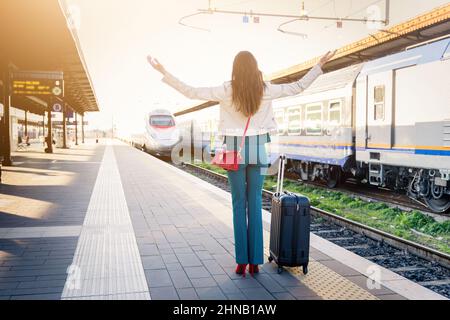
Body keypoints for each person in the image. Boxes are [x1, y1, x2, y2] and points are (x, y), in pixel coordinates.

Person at [148, 50, 336, 277]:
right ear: (255, 67)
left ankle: (241, 262)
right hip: (257, 150)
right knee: (255, 204)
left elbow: (191, 92)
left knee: (239, 205)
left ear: (235, 69)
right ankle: (256, 260)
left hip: (233, 152)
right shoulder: (265, 89)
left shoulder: (227, 90)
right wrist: (319, 64)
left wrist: (163, 71)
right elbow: (298, 87)